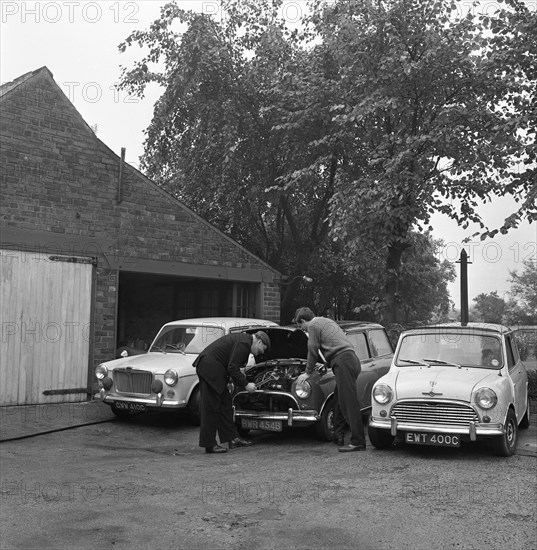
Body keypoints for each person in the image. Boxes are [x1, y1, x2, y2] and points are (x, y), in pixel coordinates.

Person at [293, 307, 366, 452]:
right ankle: (338, 437)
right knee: (339, 400)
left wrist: (307, 373)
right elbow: (336, 344)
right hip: (350, 360)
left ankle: (358, 441)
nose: (303, 330)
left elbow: (312, 350)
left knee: (348, 403)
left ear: (302, 321)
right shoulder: (325, 321)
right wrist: (326, 364)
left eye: (300, 326)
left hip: (344, 363)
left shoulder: (313, 325)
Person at [193, 330, 271, 454]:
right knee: (211, 408)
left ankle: (232, 438)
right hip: (210, 369)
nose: (261, 353)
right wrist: (246, 384)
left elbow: (230, 363)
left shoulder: (244, 341)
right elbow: (232, 367)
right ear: (259, 342)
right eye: (262, 349)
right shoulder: (244, 343)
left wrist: (237, 376)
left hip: (212, 368)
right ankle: (209, 444)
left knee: (226, 405)